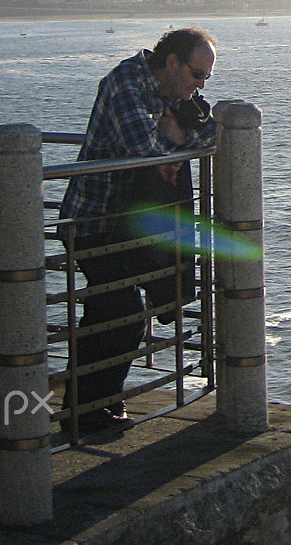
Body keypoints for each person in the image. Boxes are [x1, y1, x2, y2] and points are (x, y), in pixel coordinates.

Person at [57, 27, 217, 434]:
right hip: (95, 220)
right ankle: (85, 408)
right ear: (172, 63)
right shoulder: (125, 84)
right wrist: (177, 143)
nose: (200, 85)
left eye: (206, 79)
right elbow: (144, 149)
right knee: (118, 311)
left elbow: (214, 132)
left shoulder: (174, 93)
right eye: (197, 74)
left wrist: (180, 137)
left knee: (114, 312)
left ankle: (94, 405)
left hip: (127, 223)